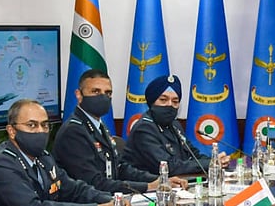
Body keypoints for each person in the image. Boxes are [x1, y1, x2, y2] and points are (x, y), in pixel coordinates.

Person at [52, 70, 186, 193]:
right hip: (89, 205)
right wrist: (148, 187)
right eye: (96, 92)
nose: (103, 97)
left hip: (108, 198)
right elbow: (93, 183)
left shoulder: (98, 125)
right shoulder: (73, 132)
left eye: (108, 93)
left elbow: (120, 168)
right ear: (79, 95)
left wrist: (159, 180)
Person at [123, 75, 229, 176]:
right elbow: (168, 167)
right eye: (163, 100)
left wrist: (216, 161)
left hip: (177, 184)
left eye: (175, 101)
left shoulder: (174, 125)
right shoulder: (144, 129)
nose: (170, 105)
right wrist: (210, 163)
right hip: (148, 189)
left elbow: (194, 155)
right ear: (151, 102)